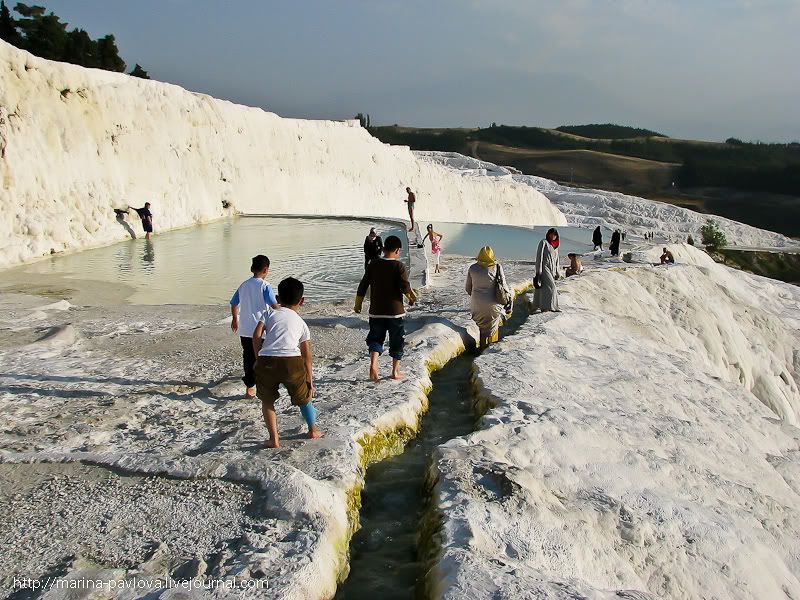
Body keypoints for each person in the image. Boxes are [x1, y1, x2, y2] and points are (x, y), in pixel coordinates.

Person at [252, 277, 322, 448]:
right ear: (302, 301)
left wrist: (258, 357)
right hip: (292, 362)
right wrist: (309, 381)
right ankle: (313, 430)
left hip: (267, 360)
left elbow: (256, 335)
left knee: (267, 401)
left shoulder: (269, 313)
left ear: (277, 298)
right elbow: (306, 356)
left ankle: (274, 439)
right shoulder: (301, 323)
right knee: (304, 399)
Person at [354, 235, 418, 381]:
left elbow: (363, 285)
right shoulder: (398, 266)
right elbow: (405, 286)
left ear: (383, 249)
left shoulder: (373, 264)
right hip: (395, 313)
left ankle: (374, 365)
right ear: (397, 250)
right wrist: (412, 298)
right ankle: (395, 372)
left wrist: (358, 304)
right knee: (397, 341)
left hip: (376, 312)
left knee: (376, 338)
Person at [230, 255, 279, 398]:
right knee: (263, 356)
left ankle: (250, 387)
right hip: (260, 330)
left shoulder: (243, 285)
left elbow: (234, 303)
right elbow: (273, 304)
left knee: (248, 357)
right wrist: (285, 312)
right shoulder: (265, 286)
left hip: (245, 329)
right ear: (266, 269)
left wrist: (235, 319)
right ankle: (264, 384)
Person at [465, 246, 511, 349]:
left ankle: (481, 348)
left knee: (481, 327)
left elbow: (468, 288)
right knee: (492, 327)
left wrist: (478, 296)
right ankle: (489, 352)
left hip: (476, 304)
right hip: (493, 304)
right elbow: (504, 286)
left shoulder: (473, 268)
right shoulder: (497, 267)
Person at [533, 228, 560, 312]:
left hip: (552, 269)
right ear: (548, 234)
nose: (553, 236)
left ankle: (543, 307)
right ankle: (551, 307)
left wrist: (557, 271)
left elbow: (557, 259)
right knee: (552, 287)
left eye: (555, 235)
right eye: (551, 234)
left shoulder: (555, 245)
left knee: (544, 288)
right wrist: (538, 271)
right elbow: (539, 257)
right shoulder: (544, 242)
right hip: (544, 268)